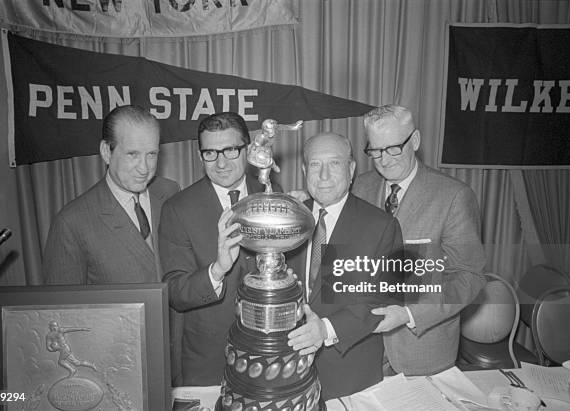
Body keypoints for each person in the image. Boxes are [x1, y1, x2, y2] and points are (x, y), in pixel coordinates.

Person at [352, 104, 486, 376]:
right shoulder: (359, 187)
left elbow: (468, 276)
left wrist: (409, 314)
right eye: (375, 150)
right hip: (363, 350)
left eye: (393, 148)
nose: (384, 160)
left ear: (415, 140)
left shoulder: (454, 196)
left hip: (421, 353)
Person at [159, 112, 281, 386]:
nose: (221, 162)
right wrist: (217, 270)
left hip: (272, 356)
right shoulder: (177, 209)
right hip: (209, 365)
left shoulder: (271, 192)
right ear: (199, 154)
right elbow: (175, 291)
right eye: (210, 153)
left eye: (230, 150)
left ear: (248, 150)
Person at [286, 132, 403, 404]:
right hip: (288, 371)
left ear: (351, 170)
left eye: (335, 164)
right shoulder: (289, 218)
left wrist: (325, 329)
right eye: (315, 164)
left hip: (350, 375)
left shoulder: (381, 226)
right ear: (304, 170)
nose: (324, 175)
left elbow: (382, 299)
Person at [43, 105, 179, 284]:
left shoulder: (170, 192)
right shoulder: (71, 223)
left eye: (152, 154)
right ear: (106, 152)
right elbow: (66, 309)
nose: (144, 168)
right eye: (133, 154)